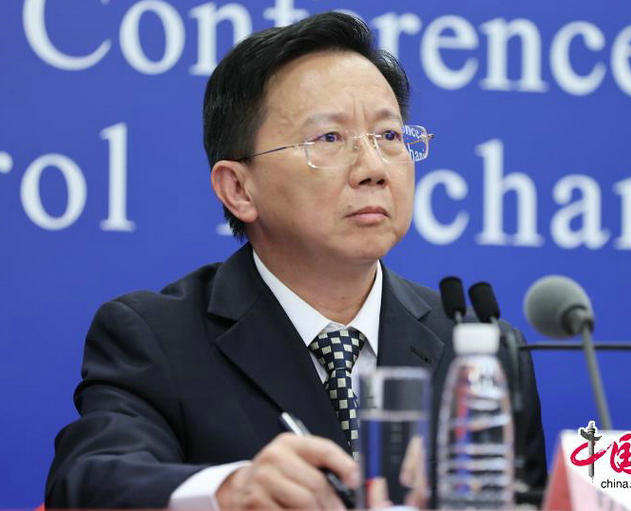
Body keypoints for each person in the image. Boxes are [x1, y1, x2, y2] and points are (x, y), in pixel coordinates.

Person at [46, 12, 547, 509]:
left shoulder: (480, 351)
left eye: (389, 136)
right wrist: (231, 490)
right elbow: (86, 484)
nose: (373, 168)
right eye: (329, 138)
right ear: (238, 189)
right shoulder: (158, 338)